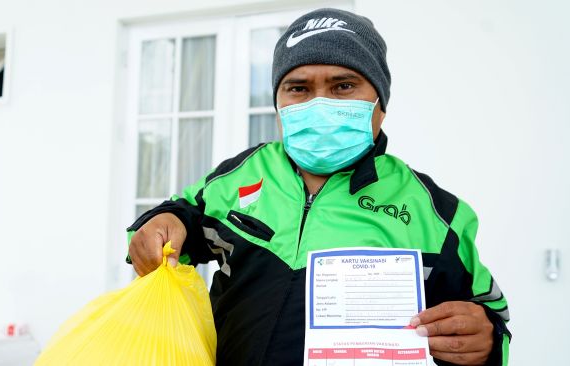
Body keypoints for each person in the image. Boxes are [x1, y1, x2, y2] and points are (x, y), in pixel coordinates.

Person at [126, 8, 511, 366]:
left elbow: (487, 312)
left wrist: (488, 340)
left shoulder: (437, 213)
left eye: (343, 86)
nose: (319, 104)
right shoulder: (241, 174)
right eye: (298, 88)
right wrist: (163, 221)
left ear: (380, 102)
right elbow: (186, 217)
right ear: (277, 100)